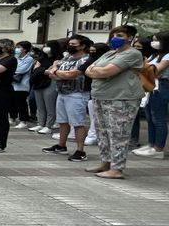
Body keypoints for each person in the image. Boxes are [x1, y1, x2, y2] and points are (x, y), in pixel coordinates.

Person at [84, 25, 145, 179]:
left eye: (120, 35)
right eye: (113, 35)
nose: (115, 38)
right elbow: (87, 69)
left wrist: (97, 71)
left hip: (122, 98)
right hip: (101, 96)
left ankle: (117, 169)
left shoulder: (133, 53)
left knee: (118, 134)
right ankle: (106, 163)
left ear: (130, 38)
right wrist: (98, 72)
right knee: (102, 132)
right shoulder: (110, 53)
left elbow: (107, 71)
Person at [42, 34, 93, 162]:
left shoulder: (86, 59)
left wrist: (56, 72)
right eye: (69, 44)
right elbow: (49, 72)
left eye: (73, 44)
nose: (70, 46)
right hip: (62, 92)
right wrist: (57, 71)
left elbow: (70, 74)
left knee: (77, 122)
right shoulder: (67, 57)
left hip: (77, 93)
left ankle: (80, 151)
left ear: (82, 46)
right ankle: (61, 145)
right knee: (62, 121)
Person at [133, 31, 169, 159]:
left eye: (156, 40)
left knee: (159, 118)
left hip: (162, 86)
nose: (154, 43)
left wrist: (146, 68)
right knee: (150, 116)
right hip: (152, 85)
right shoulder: (156, 55)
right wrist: (147, 68)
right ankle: (151, 144)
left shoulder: (167, 56)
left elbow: (155, 69)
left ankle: (158, 148)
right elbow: (144, 68)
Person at [29, 40, 63, 134]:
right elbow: (35, 70)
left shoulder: (58, 59)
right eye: (45, 46)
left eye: (48, 46)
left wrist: (41, 71)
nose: (45, 48)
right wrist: (44, 71)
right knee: (40, 105)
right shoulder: (41, 58)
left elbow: (52, 71)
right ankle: (40, 123)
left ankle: (49, 125)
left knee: (49, 105)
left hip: (51, 82)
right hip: (39, 82)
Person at [11, 41, 35, 128]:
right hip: (12, 83)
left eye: (19, 47)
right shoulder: (15, 57)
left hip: (22, 85)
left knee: (21, 103)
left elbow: (22, 70)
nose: (16, 49)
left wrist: (11, 69)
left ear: (24, 49)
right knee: (12, 103)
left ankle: (23, 121)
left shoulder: (29, 59)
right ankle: (12, 118)